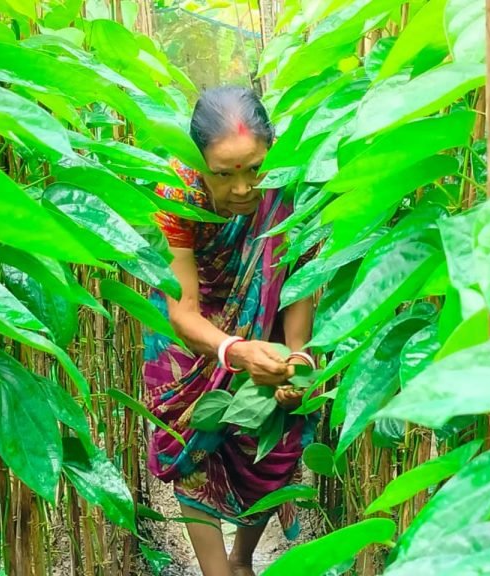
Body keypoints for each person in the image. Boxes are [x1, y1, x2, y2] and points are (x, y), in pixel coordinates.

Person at [143, 86, 316, 576]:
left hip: (268, 321)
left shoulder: (288, 187)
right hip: (190, 329)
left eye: (254, 169)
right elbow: (183, 309)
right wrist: (234, 351)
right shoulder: (177, 193)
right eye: (224, 174)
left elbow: (295, 278)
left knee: (273, 439)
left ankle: (243, 561)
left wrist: (297, 361)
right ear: (199, 163)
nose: (243, 188)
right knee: (194, 434)